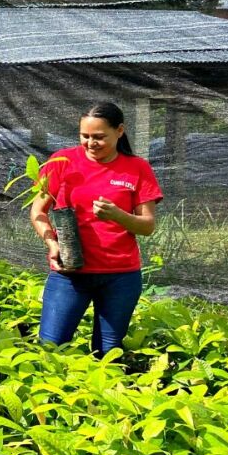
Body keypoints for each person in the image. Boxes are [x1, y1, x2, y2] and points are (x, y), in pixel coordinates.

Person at [30, 101, 163, 355]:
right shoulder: (62, 161)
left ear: (120, 131)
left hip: (120, 275)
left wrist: (117, 215)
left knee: (108, 352)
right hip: (70, 272)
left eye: (99, 137)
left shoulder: (137, 168)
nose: (91, 143)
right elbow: (38, 211)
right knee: (51, 347)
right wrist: (52, 244)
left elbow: (147, 226)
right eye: (85, 136)